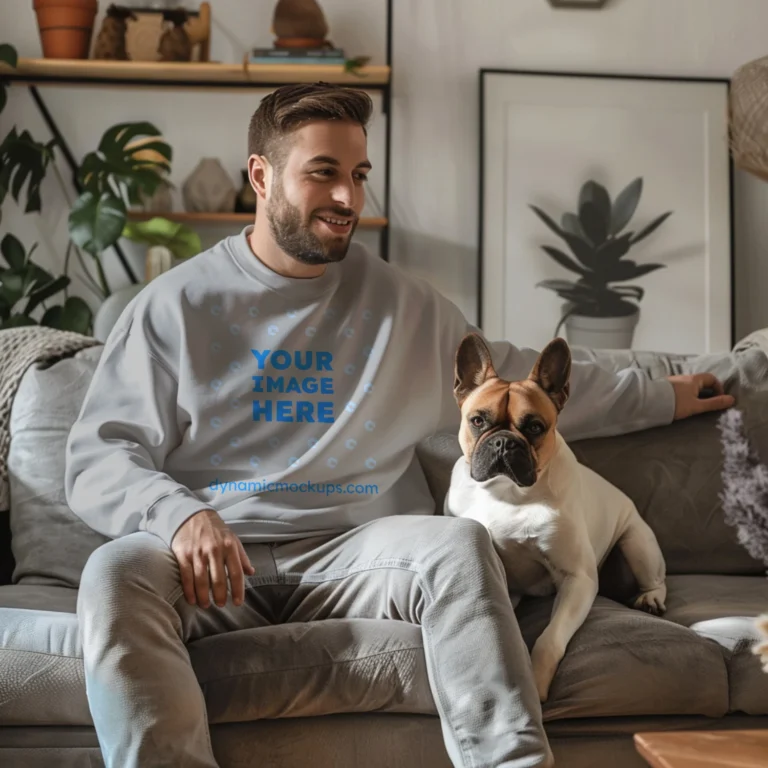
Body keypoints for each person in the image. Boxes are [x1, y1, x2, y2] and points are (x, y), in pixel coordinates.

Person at [65, 82, 734, 768]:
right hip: (213, 562)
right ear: (261, 177)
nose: (349, 199)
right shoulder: (173, 306)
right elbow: (95, 457)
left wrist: (662, 395)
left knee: (458, 546)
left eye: (359, 176)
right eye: (323, 172)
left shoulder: (407, 309)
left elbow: (525, 383)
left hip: (358, 553)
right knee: (113, 573)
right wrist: (178, 517)